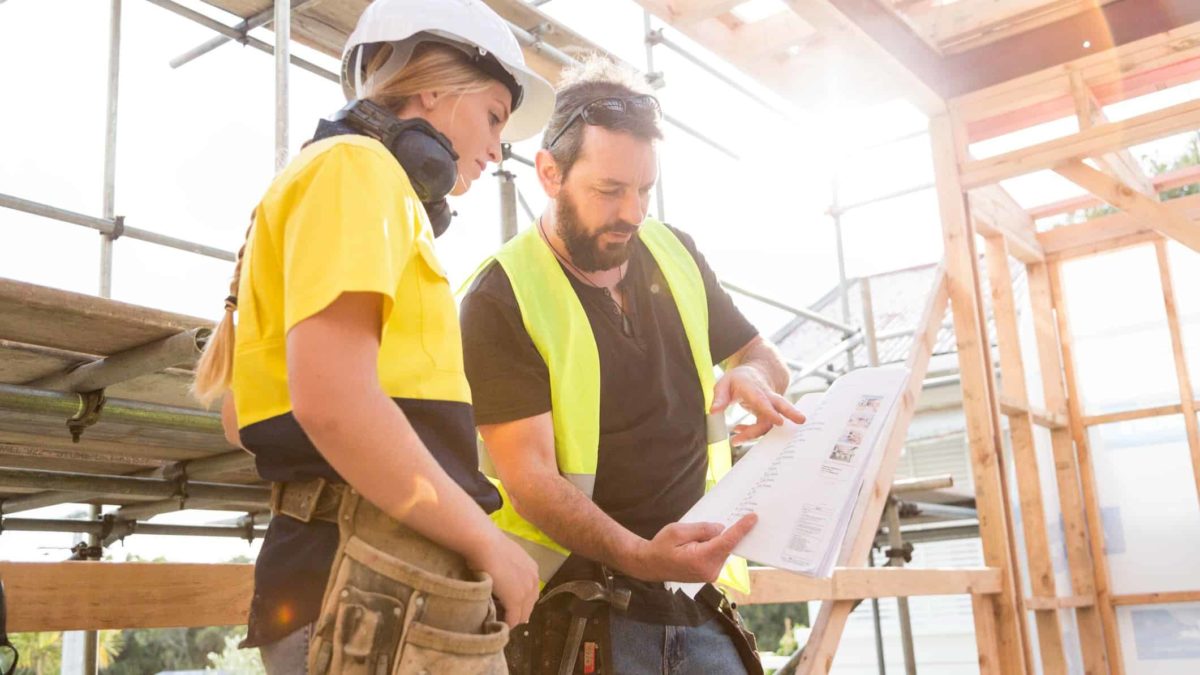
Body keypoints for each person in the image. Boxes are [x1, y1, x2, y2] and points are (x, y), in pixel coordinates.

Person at [191, 1, 555, 672]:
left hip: (362, 586)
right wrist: (490, 542)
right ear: (434, 88)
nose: (499, 149)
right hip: (377, 592)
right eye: (495, 117)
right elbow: (334, 404)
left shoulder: (331, 178)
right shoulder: (358, 171)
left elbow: (244, 419)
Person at [459, 57, 805, 675]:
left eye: (644, 190)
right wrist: (641, 555)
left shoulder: (674, 252)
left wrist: (754, 375)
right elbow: (529, 475)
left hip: (694, 600)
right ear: (549, 173)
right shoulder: (499, 295)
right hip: (571, 611)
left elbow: (760, 354)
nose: (633, 212)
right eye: (609, 191)